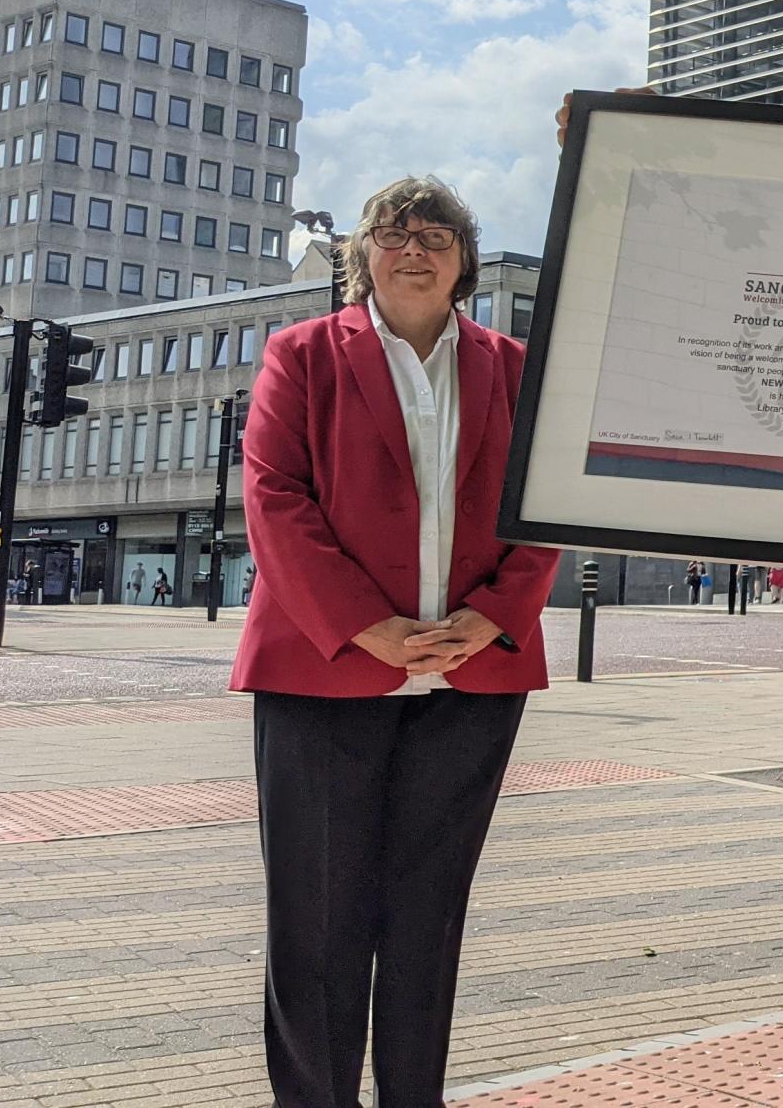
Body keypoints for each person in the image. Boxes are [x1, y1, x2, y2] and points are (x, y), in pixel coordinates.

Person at [230, 177, 563, 1105]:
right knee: (317, 925)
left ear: (463, 262)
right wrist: (364, 627)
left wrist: (496, 615)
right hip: (323, 674)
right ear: (361, 255)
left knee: (427, 923)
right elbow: (275, 500)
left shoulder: (516, 366)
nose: (414, 248)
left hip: (472, 684)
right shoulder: (300, 355)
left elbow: (548, 504)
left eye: (438, 236)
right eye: (393, 232)